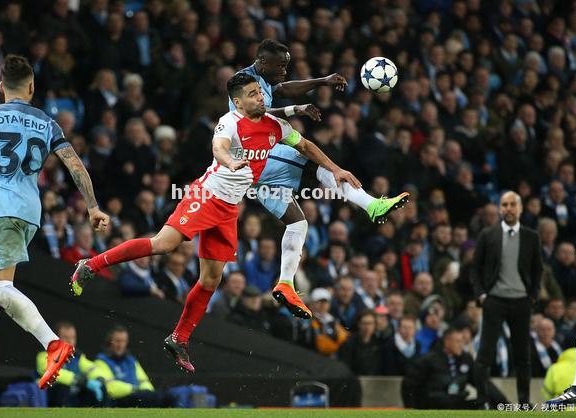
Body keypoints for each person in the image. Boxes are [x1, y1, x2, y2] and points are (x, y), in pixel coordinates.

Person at [69, 72, 360, 372]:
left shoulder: (275, 126)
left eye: (259, 92)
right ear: (238, 102)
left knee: (211, 279)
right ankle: (91, 265)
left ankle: (178, 338)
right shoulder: (230, 122)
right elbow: (218, 147)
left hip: (229, 208)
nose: (259, 97)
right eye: (252, 94)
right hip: (207, 195)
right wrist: (230, 161)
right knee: (164, 244)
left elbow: (306, 146)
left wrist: (335, 168)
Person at [0, 55, 110, 391]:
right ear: (32, 87)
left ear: (1, 86)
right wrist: (92, 207)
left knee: (1, 287)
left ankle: (53, 344)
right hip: (31, 212)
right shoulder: (47, 122)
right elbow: (75, 165)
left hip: (1, 208)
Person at [231, 39, 409, 320]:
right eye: (281, 66)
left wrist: (319, 84)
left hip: (254, 170)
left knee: (298, 222)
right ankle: (371, 205)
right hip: (254, 157)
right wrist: (334, 165)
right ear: (263, 63)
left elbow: (280, 90)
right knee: (313, 163)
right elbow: (259, 113)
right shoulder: (242, 81)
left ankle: (286, 283)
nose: (285, 72)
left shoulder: (260, 81)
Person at [471, 191, 543, 408]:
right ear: (500, 208)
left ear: (520, 208)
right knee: (485, 354)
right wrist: (482, 295)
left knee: (523, 356)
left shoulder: (532, 236)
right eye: (504, 204)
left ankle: (523, 402)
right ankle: (481, 401)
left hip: (521, 302)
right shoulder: (487, 235)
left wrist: (533, 295)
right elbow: (475, 269)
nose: (509, 208)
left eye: (513, 204)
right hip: (495, 301)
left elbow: (537, 269)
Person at [88, 325, 174, 408]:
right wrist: (134, 390)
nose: (120, 345)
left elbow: (144, 381)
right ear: (110, 341)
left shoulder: (131, 361)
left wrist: (147, 393)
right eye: (118, 341)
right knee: (165, 398)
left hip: (138, 398)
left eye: (123, 341)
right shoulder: (101, 361)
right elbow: (110, 387)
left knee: (164, 397)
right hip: (119, 401)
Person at [402, 328, 476, 409]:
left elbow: (479, 380)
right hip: (433, 406)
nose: (461, 345)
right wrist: (410, 408)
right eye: (458, 342)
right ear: (447, 342)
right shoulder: (428, 360)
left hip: (457, 403)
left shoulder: (466, 359)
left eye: (462, 342)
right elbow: (409, 385)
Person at [36, 322, 103, 407]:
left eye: (73, 338)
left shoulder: (77, 357)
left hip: (71, 397)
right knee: (62, 387)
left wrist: (99, 378)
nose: (70, 341)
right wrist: (78, 380)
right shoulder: (45, 355)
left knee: (96, 388)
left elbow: (92, 369)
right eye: (66, 338)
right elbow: (50, 372)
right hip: (48, 398)